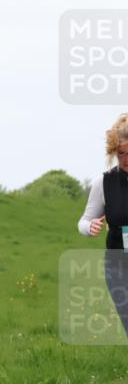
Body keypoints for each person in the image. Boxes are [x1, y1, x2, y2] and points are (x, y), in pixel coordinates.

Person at [76, 112, 128, 337]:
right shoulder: (104, 182)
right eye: (122, 153)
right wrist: (90, 228)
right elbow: (84, 221)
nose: (126, 159)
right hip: (118, 265)